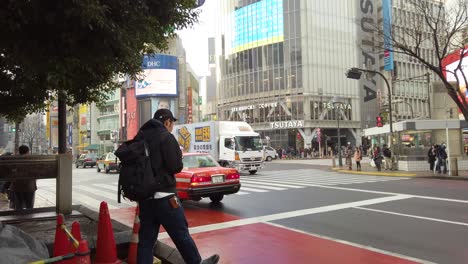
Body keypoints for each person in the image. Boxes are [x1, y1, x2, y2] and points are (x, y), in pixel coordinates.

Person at [137, 109, 219, 264]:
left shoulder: (140, 137)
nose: (172, 126)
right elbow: (175, 166)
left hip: (145, 198)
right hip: (165, 198)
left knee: (146, 242)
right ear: (167, 122)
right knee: (181, 234)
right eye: (172, 123)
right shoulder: (166, 137)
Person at [10, 145, 37, 210]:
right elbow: (36, 172)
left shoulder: (14, 159)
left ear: (19, 151)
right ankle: (29, 217)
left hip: (17, 185)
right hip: (29, 186)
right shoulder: (32, 159)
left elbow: (11, 172)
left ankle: (20, 217)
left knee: (18, 204)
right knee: (29, 205)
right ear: (28, 151)